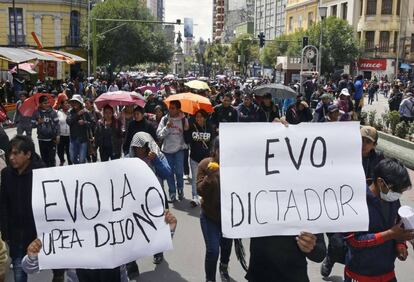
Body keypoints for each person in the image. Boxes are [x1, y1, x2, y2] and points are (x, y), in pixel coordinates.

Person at [22, 210, 177, 282]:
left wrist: (168, 229)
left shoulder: (116, 231)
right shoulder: (67, 235)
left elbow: (147, 243)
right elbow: (30, 269)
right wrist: (32, 256)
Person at [0, 136, 64, 282]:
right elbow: (3, 204)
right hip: (16, 234)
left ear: (28, 154)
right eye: (10, 153)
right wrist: (5, 232)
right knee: (18, 268)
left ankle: (59, 274)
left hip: (39, 232)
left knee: (52, 260)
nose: (11, 157)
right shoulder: (6, 174)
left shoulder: (42, 173)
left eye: (16, 153)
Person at [345, 159, 414, 282]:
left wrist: (400, 244)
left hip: (387, 272)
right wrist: (389, 234)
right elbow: (353, 240)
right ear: (381, 183)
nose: (398, 195)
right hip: (360, 274)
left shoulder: (393, 200)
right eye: (397, 191)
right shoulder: (356, 203)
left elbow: (398, 226)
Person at [197, 137, 233, 282]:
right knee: (213, 250)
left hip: (228, 217)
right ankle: (210, 279)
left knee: (226, 247)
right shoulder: (205, 164)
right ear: (215, 150)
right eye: (220, 150)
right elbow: (199, 190)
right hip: (209, 216)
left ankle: (223, 268)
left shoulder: (233, 166)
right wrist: (209, 177)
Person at [157, 100, 189, 202]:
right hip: (167, 150)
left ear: (178, 109)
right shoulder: (165, 119)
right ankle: (172, 193)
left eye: (173, 108)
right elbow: (159, 134)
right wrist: (167, 127)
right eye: (169, 107)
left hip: (179, 149)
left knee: (179, 172)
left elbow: (187, 132)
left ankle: (180, 189)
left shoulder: (184, 119)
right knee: (169, 172)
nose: (170, 110)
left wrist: (185, 128)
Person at [188, 109, 213, 207]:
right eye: (197, 116)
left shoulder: (210, 127)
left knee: (206, 178)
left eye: (200, 116)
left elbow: (213, 142)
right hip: (194, 157)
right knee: (195, 178)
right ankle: (195, 197)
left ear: (205, 118)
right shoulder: (192, 127)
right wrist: (187, 129)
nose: (198, 118)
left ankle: (204, 197)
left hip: (206, 159)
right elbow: (187, 139)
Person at [31, 95, 60, 167]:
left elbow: (57, 124)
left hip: (52, 139)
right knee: (44, 159)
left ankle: (54, 174)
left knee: (52, 159)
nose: (47, 104)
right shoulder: (36, 113)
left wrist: (58, 135)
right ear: (40, 104)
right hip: (42, 140)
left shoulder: (53, 112)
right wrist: (38, 122)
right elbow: (31, 125)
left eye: (48, 103)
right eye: (45, 103)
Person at [66, 95, 94, 164]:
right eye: (73, 102)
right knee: (72, 158)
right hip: (73, 139)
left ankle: (82, 171)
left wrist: (84, 122)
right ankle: (78, 170)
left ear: (80, 103)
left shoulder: (86, 112)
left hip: (83, 140)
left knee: (82, 160)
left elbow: (93, 123)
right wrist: (77, 114)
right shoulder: (70, 112)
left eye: (76, 102)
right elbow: (69, 122)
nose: (74, 104)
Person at [57, 99, 72, 166]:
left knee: (69, 151)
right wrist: (57, 135)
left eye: (67, 103)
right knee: (60, 150)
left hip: (69, 135)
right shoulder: (58, 113)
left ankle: (70, 162)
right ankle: (62, 160)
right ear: (62, 105)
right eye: (65, 103)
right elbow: (56, 124)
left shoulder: (71, 112)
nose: (66, 105)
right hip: (61, 135)